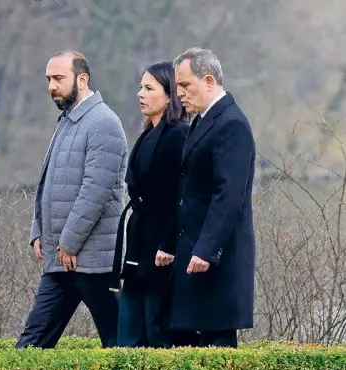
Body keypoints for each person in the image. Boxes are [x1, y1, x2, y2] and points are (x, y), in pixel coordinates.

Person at [16, 50, 127, 349]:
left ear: (82, 79)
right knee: (30, 347)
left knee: (120, 347)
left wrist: (69, 242)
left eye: (58, 78)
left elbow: (96, 191)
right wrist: (37, 231)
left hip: (95, 262)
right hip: (60, 262)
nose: (51, 85)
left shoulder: (104, 122)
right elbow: (49, 185)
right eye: (48, 79)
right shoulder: (67, 121)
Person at [163, 48, 256, 348]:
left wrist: (206, 250)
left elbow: (228, 195)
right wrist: (170, 244)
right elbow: (188, 193)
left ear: (209, 80)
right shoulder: (203, 121)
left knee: (217, 349)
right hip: (194, 256)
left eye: (185, 86)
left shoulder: (232, 124)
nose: (179, 95)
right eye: (177, 87)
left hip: (217, 262)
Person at [110, 61, 188, 347]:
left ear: (169, 95)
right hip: (140, 239)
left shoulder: (178, 135)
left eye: (148, 88)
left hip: (160, 245)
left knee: (157, 328)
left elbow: (179, 196)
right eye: (140, 88)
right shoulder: (146, 135)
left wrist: (168, 244)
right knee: (130, 329)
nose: (140, 94)